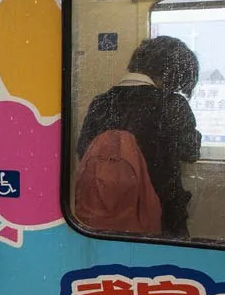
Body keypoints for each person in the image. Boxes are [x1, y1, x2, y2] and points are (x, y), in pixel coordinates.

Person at [76, 35, 201, 237]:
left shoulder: (101, 102)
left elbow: (83, 151)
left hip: (103, 214)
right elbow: (190, 151)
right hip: (161, 217)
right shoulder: (172, 104)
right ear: (170, 75)